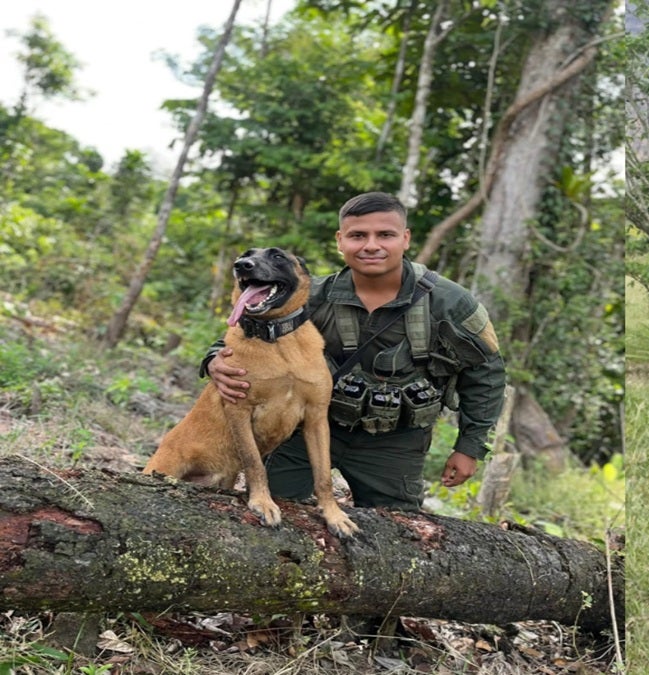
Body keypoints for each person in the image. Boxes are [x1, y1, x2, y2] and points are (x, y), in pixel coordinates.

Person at [203, 191, 506, 511]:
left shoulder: (450, 302)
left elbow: (486, 373)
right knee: (273, 512)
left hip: (394, 443)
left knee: (396, 531)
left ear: (405, 239)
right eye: (358, 235)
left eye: (385, 235)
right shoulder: (311, 295)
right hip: (309, 430)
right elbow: (245, 332)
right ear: (340, 241)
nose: (371, 245)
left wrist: (469, 447)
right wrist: (213, 360)